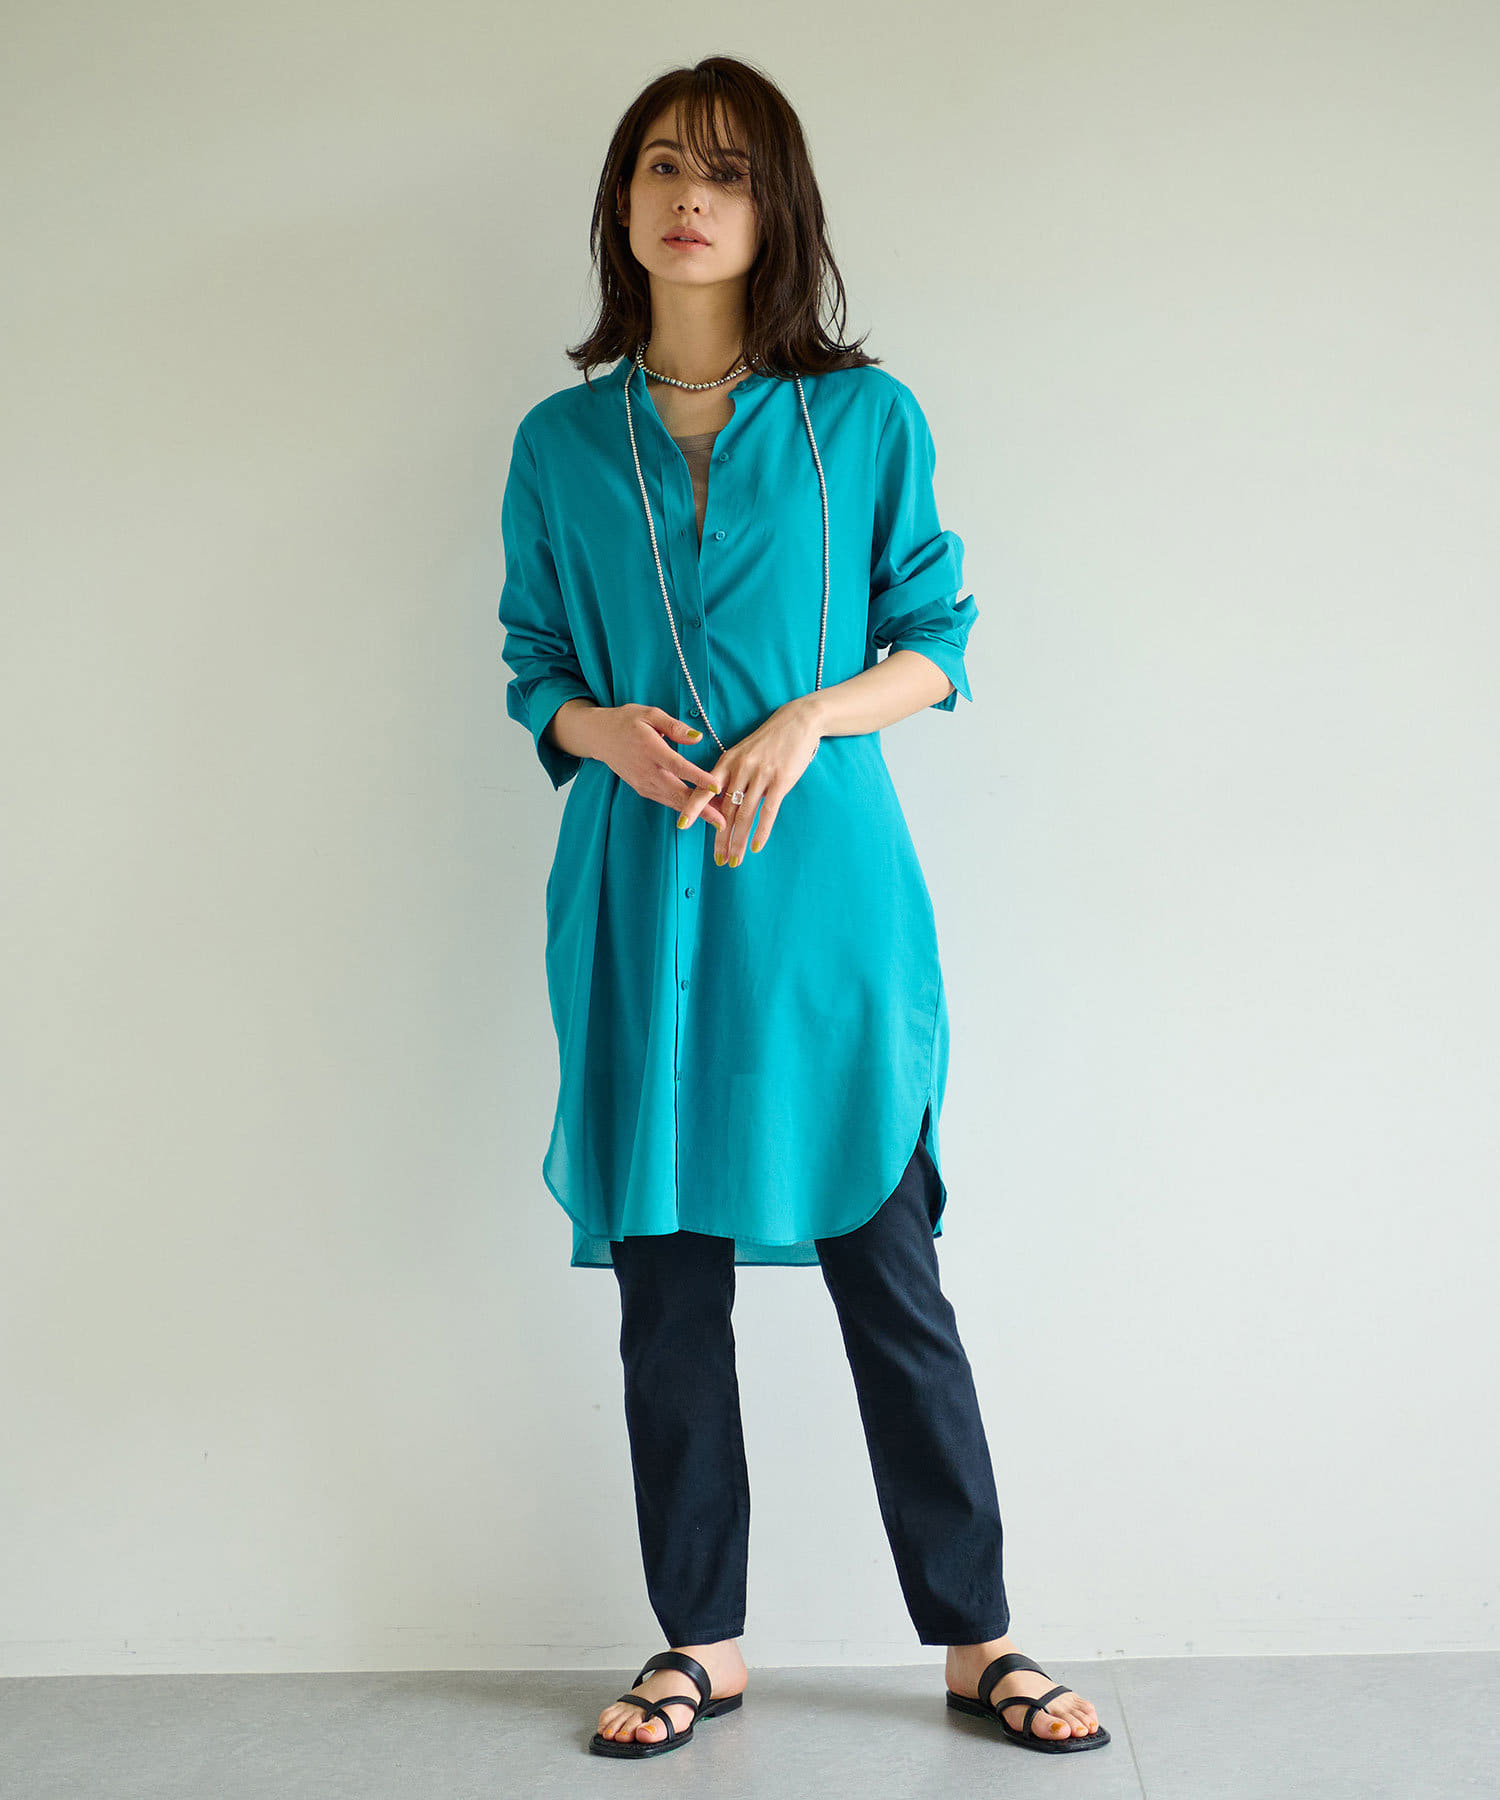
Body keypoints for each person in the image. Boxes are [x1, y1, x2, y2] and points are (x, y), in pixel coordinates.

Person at [497, 56, 1109, 1762]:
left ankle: (980, 1639)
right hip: (640, 897)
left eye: (729, 171)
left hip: (827, 897)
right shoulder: (561, 443)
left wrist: (808, 718)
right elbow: (532, 662)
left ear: (778, 210)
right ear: (622, 204)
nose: (692, 197)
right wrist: (598, 731)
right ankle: (698, 1642)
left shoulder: (865, 420)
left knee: (888, 1275)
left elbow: (938, 640)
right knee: (667, 1292)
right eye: (661, 167)